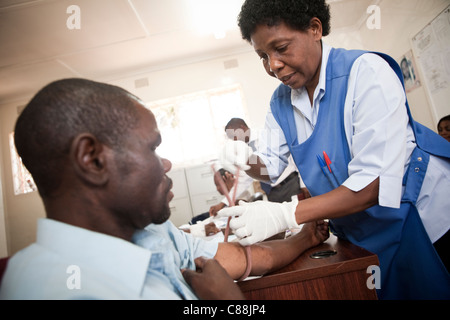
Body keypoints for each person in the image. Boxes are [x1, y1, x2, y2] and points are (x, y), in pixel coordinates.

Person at [0, 78, 329, 300]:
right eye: (151, 148)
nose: (167, 164)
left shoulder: (155, 233)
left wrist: (306, 237)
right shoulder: (49, 288)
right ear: (93, 160)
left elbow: (249, 258)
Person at [218, 0, 450, 300]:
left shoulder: (365, 72)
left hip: (424, 220)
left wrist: (287, 214)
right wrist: (243, 158)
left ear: (315, 29)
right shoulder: (281, 103)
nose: (273, 65)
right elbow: (269, 169)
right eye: (263, 56)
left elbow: (373, 182)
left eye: (282, 48)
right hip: (364, 230)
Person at [222, 117, 309, 203]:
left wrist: (304, 183)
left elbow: (295, 158)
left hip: (291, 186)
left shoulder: (267, 135)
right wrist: (224, 202)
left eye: (234, 136)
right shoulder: (245, 151)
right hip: (272, 193)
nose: (234, 140)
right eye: (232, 138)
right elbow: (245, 179)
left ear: (242, 128)